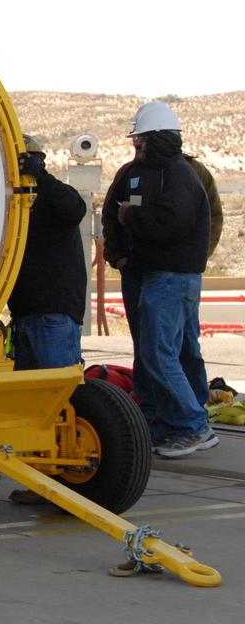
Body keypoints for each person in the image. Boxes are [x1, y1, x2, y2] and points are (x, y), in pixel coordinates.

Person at [101, 101, 214, 458]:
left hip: (171, 278)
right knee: (155, 353)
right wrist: (120, 255)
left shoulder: (180, 176)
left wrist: (131, 216)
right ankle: (161, 422)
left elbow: (169, 224)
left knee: (161, 354)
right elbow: (113, 213)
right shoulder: (138, 174)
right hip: (150, 273)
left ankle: (192, 424)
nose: (136, 144)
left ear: (158, 138)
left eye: (141, 139)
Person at [8, 135, 89, 370]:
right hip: (24, 313)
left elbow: (76, 209)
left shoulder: (51, 196)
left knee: (57, 385)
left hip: (53, 314)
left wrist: (41, 178)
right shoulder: (13, 203)